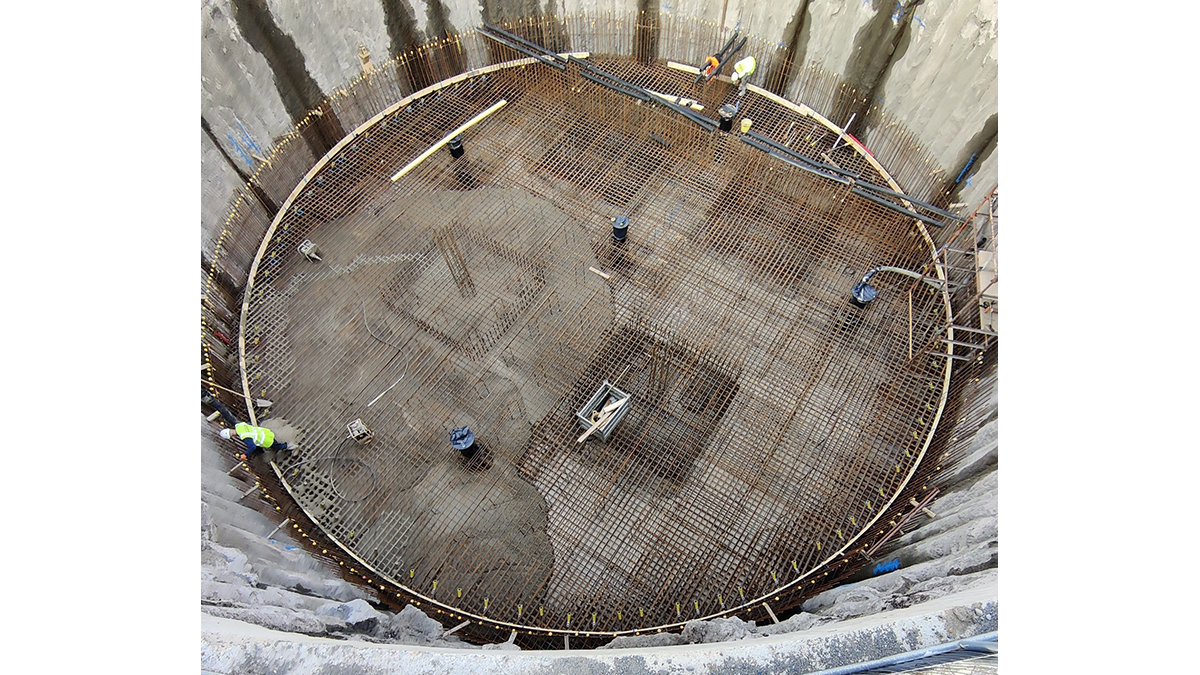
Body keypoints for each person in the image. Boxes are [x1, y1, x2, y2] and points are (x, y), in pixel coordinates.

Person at [221, 422, 290, 460]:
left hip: (266, 440)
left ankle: (288, 446)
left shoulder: (245, 437)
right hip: (265, 432)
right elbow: (249, 424)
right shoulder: (239, 425)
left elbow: (252, 447)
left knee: (277, 446)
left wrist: (245, 455)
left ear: (232, 436)